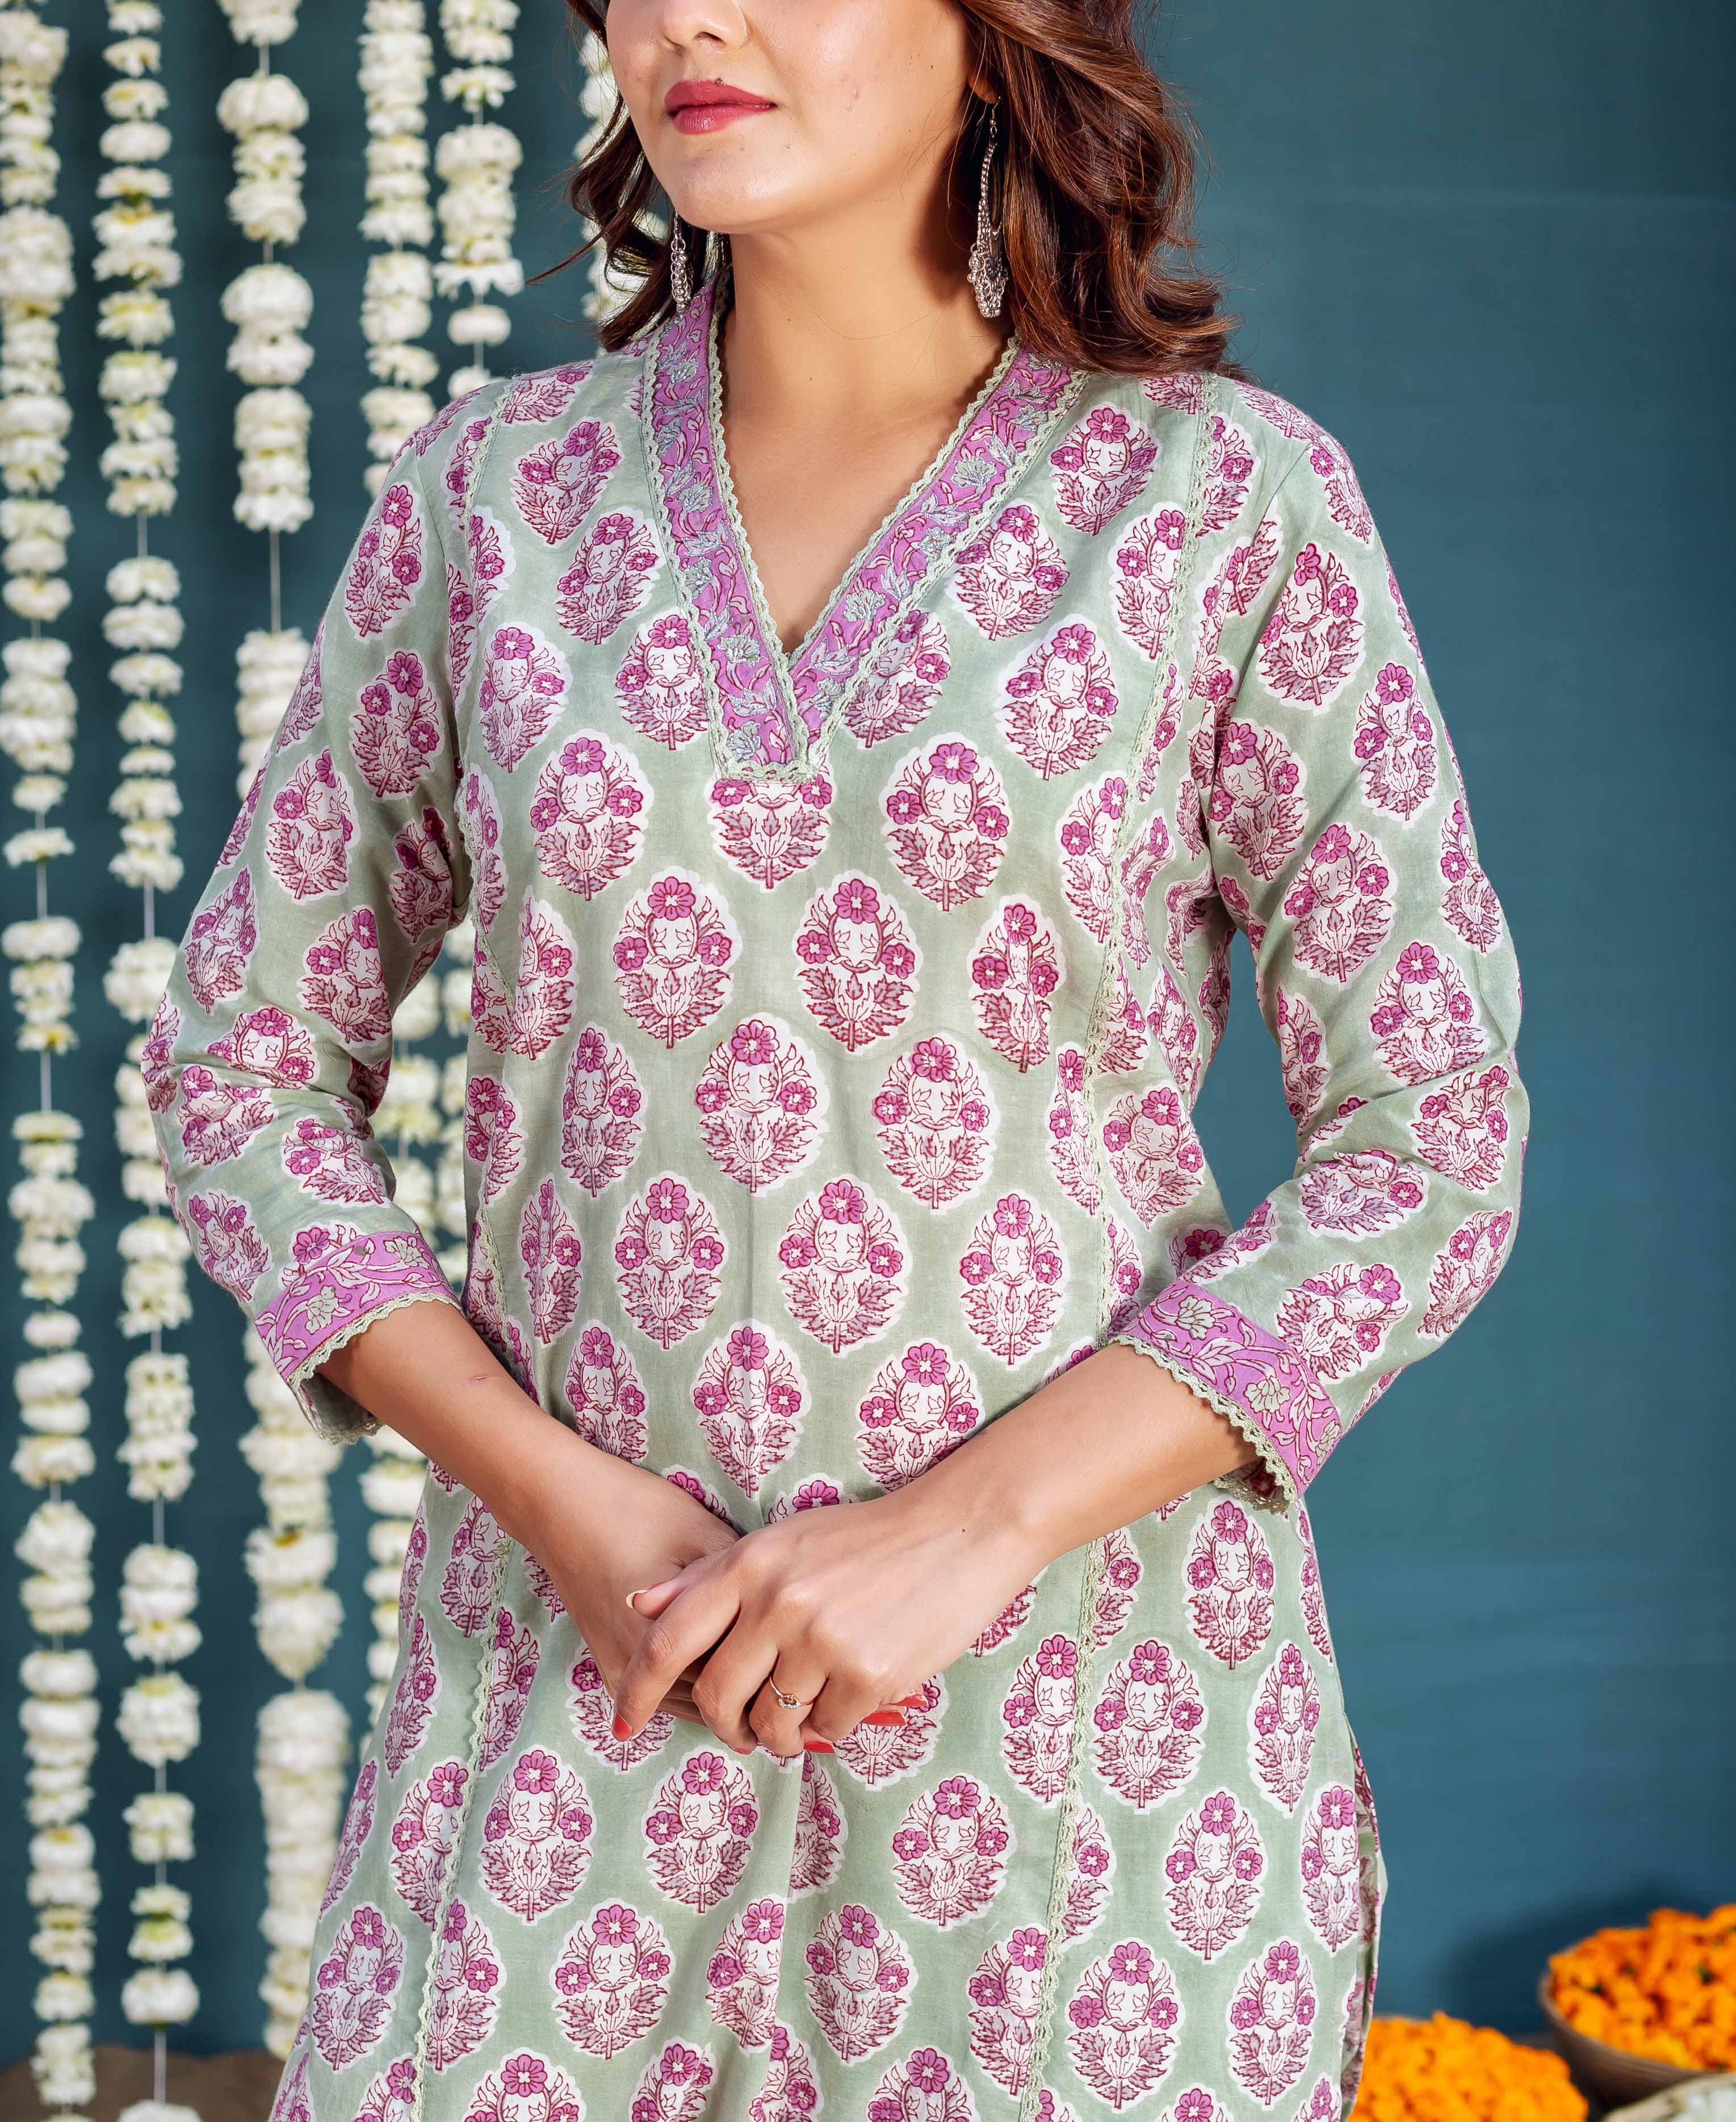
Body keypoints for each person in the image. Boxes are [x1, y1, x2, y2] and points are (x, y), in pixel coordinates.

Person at [151, 2, 1528, 2116]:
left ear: (995, 33)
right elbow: (239, 1062)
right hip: (582, 1702)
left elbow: (1426, 1140)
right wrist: (557, 1499)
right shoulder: (494, 501)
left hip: (1084, 1747)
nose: (688, 18)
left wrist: (971, 1523)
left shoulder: (1219, 503)